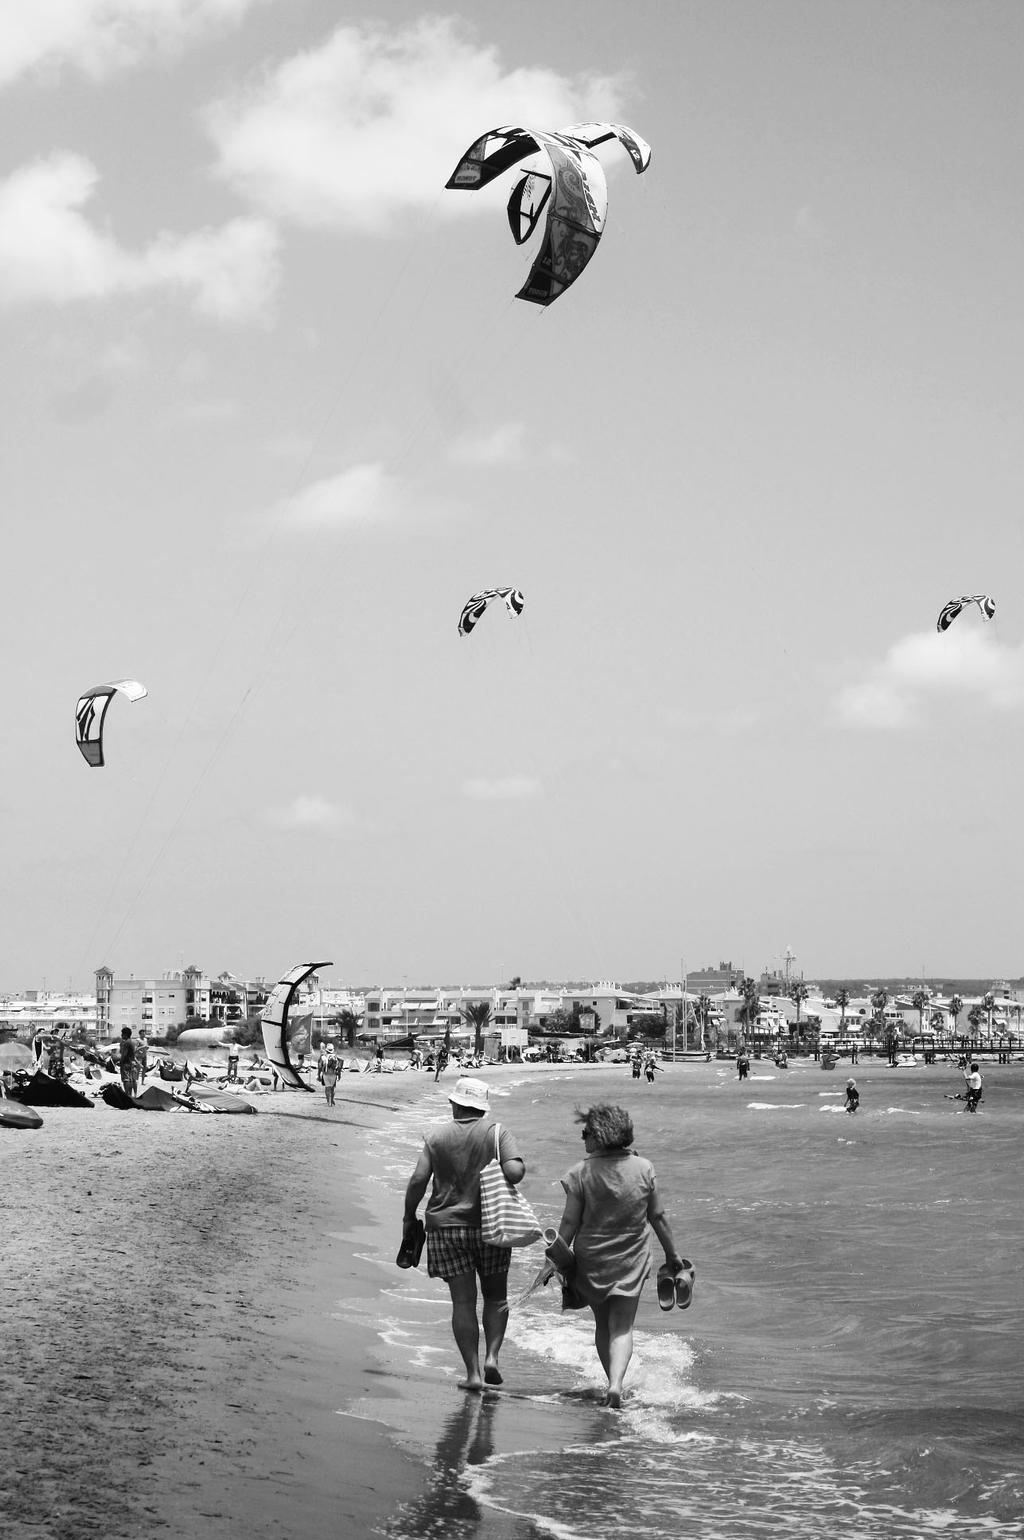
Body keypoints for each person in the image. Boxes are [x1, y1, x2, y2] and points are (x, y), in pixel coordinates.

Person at [553, 1103, 685, 1409]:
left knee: (602, 1326)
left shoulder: (579, 1173)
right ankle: (616, 1385)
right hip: (631, 1259)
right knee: (622, 1327)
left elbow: (570, 1223)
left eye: (585, 1133)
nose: (582, 1139)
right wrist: (672, 1254)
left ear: (599, 1137)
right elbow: (659, 1216)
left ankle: (611, 1383)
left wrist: (556, 1256)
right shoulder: (644, 1168)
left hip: (592, 1262)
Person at [403, 1077, 525, 1391]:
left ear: (454, 1104)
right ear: (483, 1108)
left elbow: (418, 1179)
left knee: (462, 1303)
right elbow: (515, 1173)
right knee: (496, 1296)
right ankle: (492, 1358)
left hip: (446, 1228)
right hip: (491, 1226)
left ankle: (472, 1374)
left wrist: (409, 1215)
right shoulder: (498, 1133)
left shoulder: (436, 1137)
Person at [118, 1028, 138, 1097]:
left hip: (126, 1062)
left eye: (122, 1034)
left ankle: (127, 1095)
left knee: (126, 1079)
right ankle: (131, 1094)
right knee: (131, 1079)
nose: (121, 1035)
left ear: (125, 1035)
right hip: (132, 1062)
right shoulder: (133, 1042)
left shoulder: (126, 1043)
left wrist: (121, 1061)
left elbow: (124, 1054)